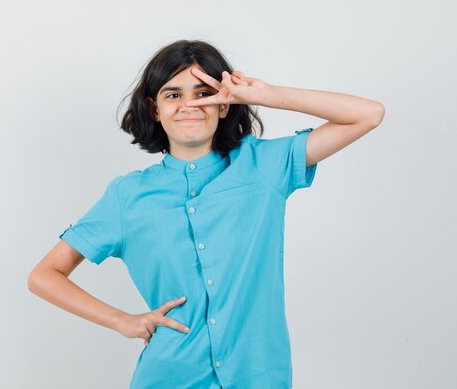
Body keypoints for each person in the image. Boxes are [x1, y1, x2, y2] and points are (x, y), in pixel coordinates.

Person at [27, 39, 385, 389]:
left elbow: (368, 115)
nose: (189, 105)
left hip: (259, 375)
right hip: (169, 376)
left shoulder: (264, 166)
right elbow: (45, 275)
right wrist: (123, 321)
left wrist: (263, 94)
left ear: (224, 104)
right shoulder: (128, 195)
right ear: (155, 109)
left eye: (204, 93)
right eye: (173, 94)